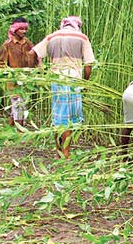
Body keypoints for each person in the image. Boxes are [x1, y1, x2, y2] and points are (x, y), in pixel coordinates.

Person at [30, 16, 95, 158]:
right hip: (73, 81)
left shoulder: (52, 36)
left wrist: (41, 71)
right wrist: (85, 83)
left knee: (58, 116)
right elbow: (88, 64)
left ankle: (58, 151)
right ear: (78, 25)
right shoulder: (82, 38)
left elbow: (33, 53)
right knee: (69, 119)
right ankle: (66, 153)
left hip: (56, 81)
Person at [0, 17, 38, 127]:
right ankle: (20, 130)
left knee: (19, 104)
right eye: (21, 29)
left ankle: (11, 127)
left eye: (26, 29)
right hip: (13, 81)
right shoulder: (7, 45)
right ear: (14, 30)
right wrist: (10, 74)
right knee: (18, 104)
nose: (24, 31)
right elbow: (1, 64)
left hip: (26, 79)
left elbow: (35, 57)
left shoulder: (28, 43)